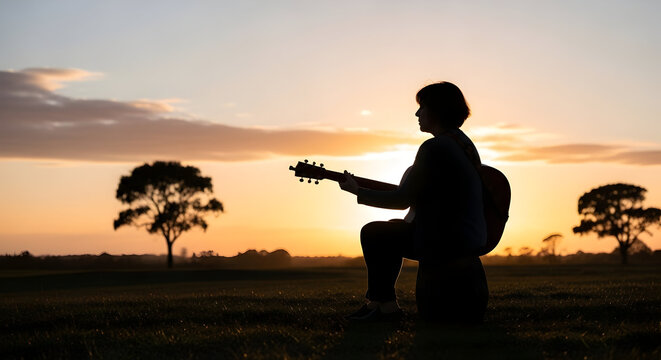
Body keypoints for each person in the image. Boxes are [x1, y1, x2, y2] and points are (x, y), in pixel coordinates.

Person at [339, 81, 486, 321]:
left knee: (374, 232)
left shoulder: (434, 147)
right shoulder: (463, 144)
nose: (417, 113)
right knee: (392, 228)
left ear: (437, 110)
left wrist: (357, 191)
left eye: (422, 107)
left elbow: (401, 199)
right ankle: (380, 304)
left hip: (444, 239)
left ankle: (384, 307)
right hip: (466, 235)